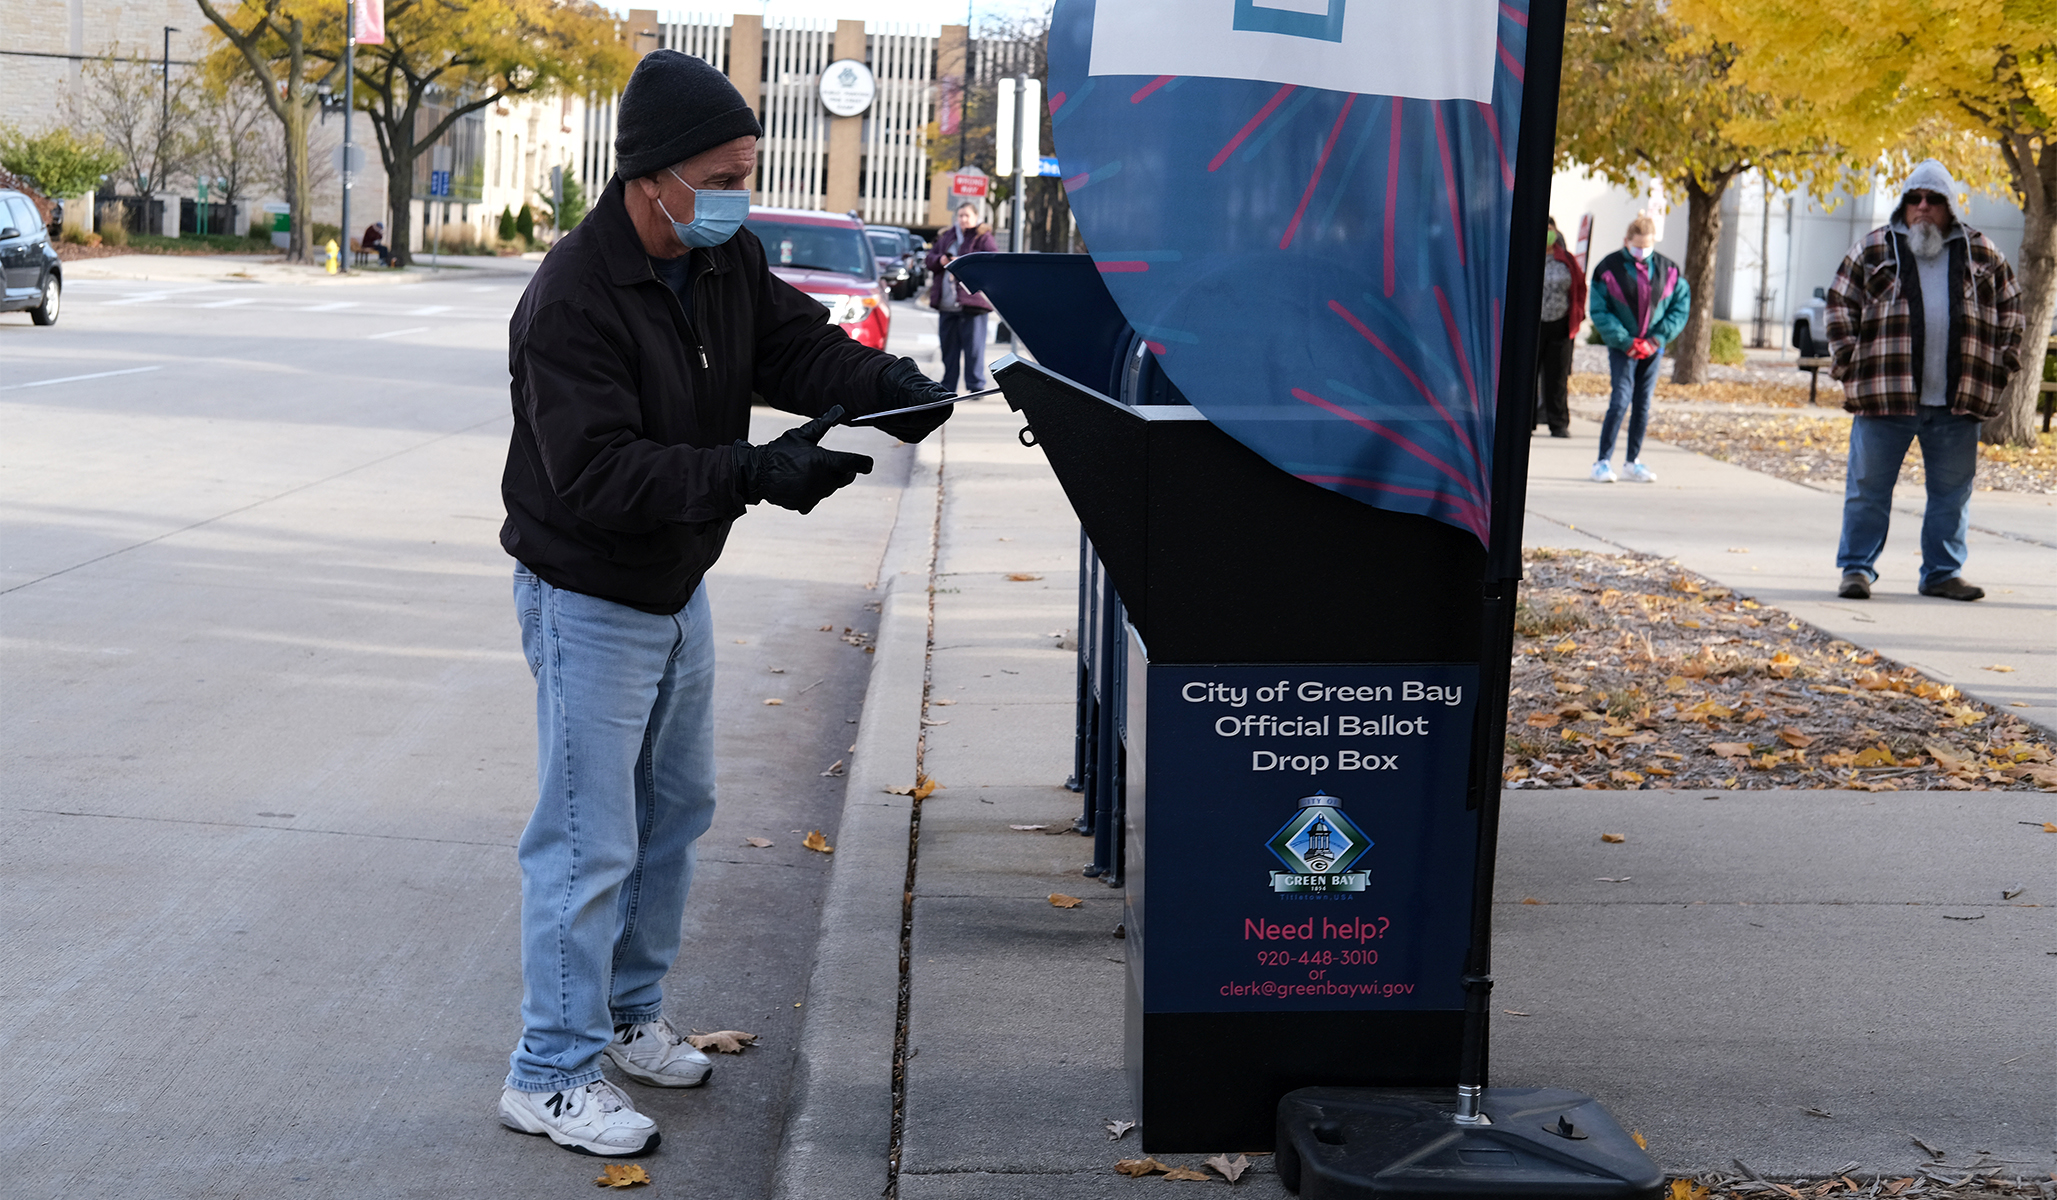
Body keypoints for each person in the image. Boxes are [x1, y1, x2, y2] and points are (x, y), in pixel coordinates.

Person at [494, 48, 957, 1158]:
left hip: (673, 588)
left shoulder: (723, 258)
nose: (737, 192)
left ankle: (626, 1015)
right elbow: (600, 474)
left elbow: (793, 349)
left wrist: (887, 389)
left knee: (674, 814)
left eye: (747, 169)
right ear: (652, 176)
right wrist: (754, 473)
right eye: (721, 173)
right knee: (585, 840)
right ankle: (547, 1072)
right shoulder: (571, 297)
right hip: (587, 592)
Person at [1824, 159, 2022, 602]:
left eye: (1934, 200)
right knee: (1867, 490)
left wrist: (2001, 369)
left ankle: (1942, 573)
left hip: (1956, 402)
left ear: (1950, 206)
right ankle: (1856, 569)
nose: (1923, 208)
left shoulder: (1983, 253)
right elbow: (1840, 305)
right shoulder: (1873, 250)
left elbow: (2013, 312)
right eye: (1915, 199)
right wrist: (1849, 366)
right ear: (1904, 204)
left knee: (1952, 495)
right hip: (1884, 398)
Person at [1585, 216, 1689, 482]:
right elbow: (1600, 308)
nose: (1642, 251)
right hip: (1624, 347)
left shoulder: (1669, 270)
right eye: (1637, 246)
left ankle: (1632, 461)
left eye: (1647, 246)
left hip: (1653, 348)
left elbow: (1680, 306)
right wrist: (1626, 341)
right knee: (1620, 401)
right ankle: (1602, 461)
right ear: (1626, 241)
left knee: (1642, 404)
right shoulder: (1608, 268)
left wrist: (1656, 339)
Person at [925, 201, 999, 393]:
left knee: (974, 349)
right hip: (947, 303)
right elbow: (929, 259)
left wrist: (964, 263)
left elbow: (992, 261)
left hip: (973, 303)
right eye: (961, 216)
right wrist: (940, 260)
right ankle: (948, 384)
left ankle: (976, 385)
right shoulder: (947, 236)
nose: (963, 219)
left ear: (976, 217)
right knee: (949, 349)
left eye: (967, 215)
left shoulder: (983, 237)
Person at [1534, 216, 1586, 438]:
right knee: (1528, 376)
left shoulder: (1566, 259)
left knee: (1557, 376)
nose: (1548, 233)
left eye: (1550, 229)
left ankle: (1558, 423)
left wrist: (1577, 315)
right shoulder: (1526, 255)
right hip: (1533, 327)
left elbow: (1580, 288)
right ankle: (1527, 423)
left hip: (1561, 325)